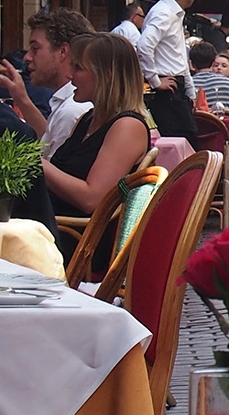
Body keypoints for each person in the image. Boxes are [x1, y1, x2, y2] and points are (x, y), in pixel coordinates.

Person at [43, 33, 152, 259]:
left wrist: (37, 163)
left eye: (79, 68)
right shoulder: (88, 120)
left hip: (78, 242)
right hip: (55, 228)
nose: (71, 76)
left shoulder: (127, 126)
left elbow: (91, 199)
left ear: (107, 76)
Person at [0, 9, 92, 159]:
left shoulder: (73, 110)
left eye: (35, 48)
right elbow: (48, 140)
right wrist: (21, 98)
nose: (27, 57)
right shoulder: (67, 101)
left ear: (63, 51)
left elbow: (54, 172)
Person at [135, 0, 199, 140]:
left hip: (175, 87)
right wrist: (155, 81)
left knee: (187, 140)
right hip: (169, 89)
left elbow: (177, 55)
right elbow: (143, 45)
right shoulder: (164, 13)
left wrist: (190, 93)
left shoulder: (171, 13)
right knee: (185, 141)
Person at [190, 41, 229, 112]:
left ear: (191, 64)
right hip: (226, 122)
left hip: (196, 122)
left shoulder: (187, 85)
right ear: (213, 62)